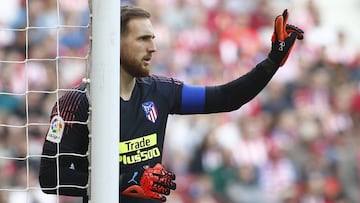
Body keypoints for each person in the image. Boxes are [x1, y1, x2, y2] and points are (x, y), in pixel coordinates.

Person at [39, 5, 304, 203]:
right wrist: (123, 182)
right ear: (113, 43)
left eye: (153, 38)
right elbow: (49, 178)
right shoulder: (76, 103)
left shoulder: (161, 91)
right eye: (143, 39)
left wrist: (272, 61)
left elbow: (227, 98)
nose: (153, 48)